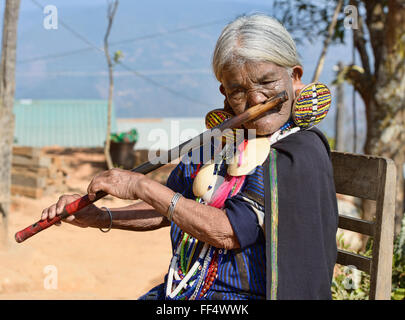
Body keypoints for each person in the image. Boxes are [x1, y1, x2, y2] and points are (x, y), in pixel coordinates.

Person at [41, 14, 338, 300]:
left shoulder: (295, 153)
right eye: (238, 91)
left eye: (267, 82)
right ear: (225, 95)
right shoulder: (220, 146)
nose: (256, 99)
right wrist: (102, 216)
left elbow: (229, 232)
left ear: (294, 78)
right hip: (186, 291)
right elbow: (169, 206)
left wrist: (140, 185)